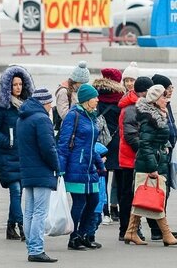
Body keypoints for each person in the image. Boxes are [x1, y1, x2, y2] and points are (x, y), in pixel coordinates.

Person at [126, 84, 177, 246]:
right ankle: (166, 234)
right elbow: (145, 145)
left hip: (156, 160)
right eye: (163, 97)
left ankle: (130, 232)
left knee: (143, 198)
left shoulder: (158, 114)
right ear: (155, 100)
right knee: (156, 198)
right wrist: (152, 168)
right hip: (149, 164)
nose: (166, 99)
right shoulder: (149, 118)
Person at [0, 66, 34, 241]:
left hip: (22, 154)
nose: (18, 87)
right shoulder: (0, 107)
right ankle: (22, 226)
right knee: (15, 190)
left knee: (19, 192)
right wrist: (8, 142)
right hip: (7, 154)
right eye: (14, 84)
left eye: (20, 84)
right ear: (8, 86)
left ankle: (10, 226)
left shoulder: (26, 106)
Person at [17, 87, 61, 263]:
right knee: (40, 213)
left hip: (27, 170)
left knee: (29, 212)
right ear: (45, 103)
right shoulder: (42, 119)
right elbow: (48, 148)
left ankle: (31, 247)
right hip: (42, 170)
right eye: (50, 103)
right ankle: (36, 249)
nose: (51, 106)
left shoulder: (22, 118)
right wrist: (56, 166)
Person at [59, 83, 105, 251]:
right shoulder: (74, 116)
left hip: (89, 167)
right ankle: (74, 237)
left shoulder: (90, 115)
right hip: (75, 167)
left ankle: (85, 234)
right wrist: (61, 168)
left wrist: (99, 163)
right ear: (86, 99)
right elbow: (63, 143)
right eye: (95, 97)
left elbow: (91, 145)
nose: (97, 100)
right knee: (79, 203)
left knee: (93, 200)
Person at [117, 76, 152, 241]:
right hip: (130, 159)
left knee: (133, 195)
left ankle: (131, 229)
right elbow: (131, 136)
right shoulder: (132, 108)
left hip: (135, 157)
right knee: (128, 196)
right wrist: (146, 149)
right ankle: (126, 229)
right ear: (143, 92)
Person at [148, 74, 177, 241]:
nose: (171, 90)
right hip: (158, 156)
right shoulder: (151, 112)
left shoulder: (166, 106)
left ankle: (160, 228)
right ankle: (157, 229)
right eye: (169, 87)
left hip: (164, 156)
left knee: (163, 192)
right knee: (158, 192)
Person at [95, 68, 125, 222]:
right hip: (118, 141)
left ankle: (104, 211)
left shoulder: (96, 96)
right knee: (120, 178)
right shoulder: (121, 98)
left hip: (101, 142)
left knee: (102, 177)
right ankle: (118, 210)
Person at [54, 61, 91, 130]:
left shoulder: (79, 90)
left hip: (80, 126)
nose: (84, 85)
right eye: (82, 83)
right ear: (76, 81)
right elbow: (64, 115)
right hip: (69, 128)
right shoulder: (63, 92)